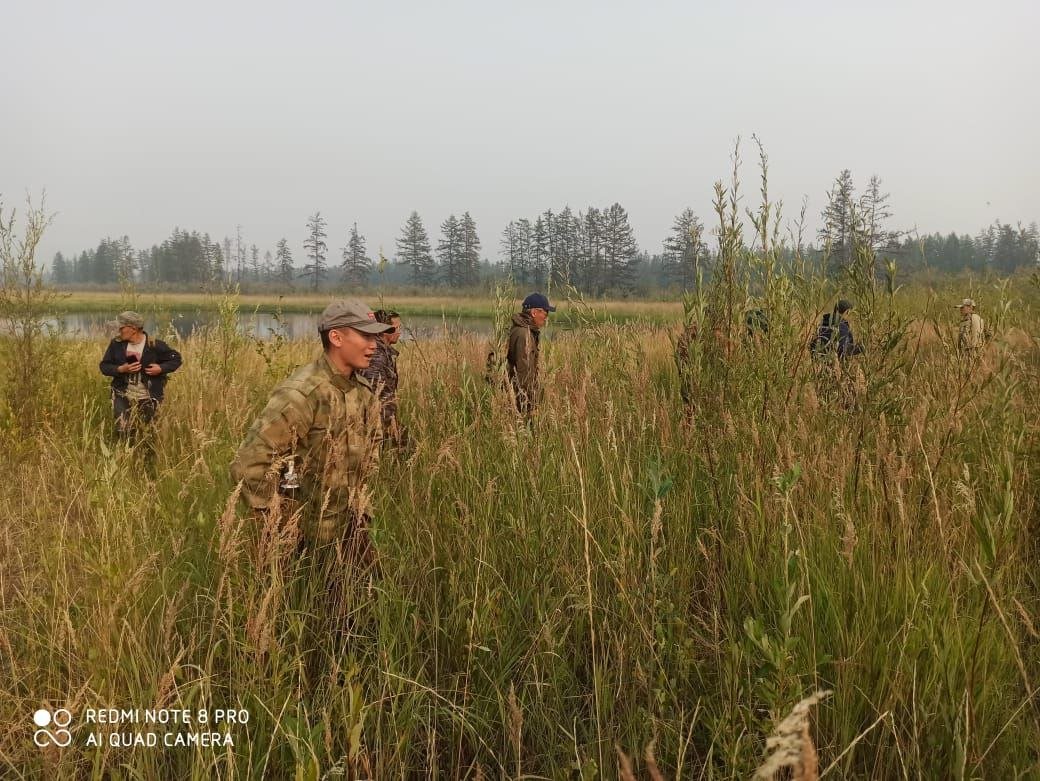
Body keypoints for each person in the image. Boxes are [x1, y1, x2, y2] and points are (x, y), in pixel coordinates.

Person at [230, 298, 393, 566]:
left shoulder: (362, 391)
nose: (374, 345)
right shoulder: (302, 394)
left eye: (375, 336)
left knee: (365, 601)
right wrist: (281, 524)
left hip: (350, 530)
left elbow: (372, 447)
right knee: (307, 604)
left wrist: (360, 507)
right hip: (304, 538)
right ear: (336, 337)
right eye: (365, 335)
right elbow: (249, 465)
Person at [98, 311, 182, 441]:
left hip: (148, 397)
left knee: (147, 432)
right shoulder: (117, 344)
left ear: (133, 329)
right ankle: (126, 456)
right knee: (123, 429)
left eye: (121, 328)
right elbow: (104, 366)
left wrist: (160, 368)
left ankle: (146, 458)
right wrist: (121, 368)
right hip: (122, 394)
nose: (118, 331)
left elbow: (176, 359)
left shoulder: (154, 345)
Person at [358, 308, 407, 448]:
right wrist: (389, 425)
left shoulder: (383, 352)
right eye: (397, 328)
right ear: (386, 331)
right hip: (378, 423)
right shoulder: (377, 356)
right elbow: (375, 394)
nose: (399, 332)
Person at [507, 292, 555, 415]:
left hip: (514, 395)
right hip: (519, 400)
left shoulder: (522, 330)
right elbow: (524, 372)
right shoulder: (524, 335)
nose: (546, 317)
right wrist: (530, 406)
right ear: (534, 313)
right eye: (545, 312)